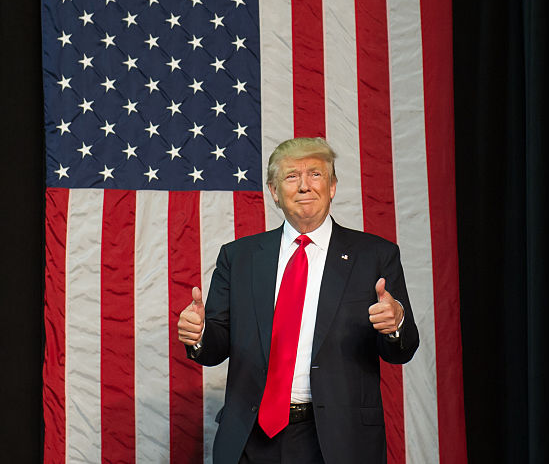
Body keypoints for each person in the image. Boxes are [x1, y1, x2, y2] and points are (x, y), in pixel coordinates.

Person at [176, 137, 418, 464]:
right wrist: (201, 333)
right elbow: (216, 345)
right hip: (251, 436)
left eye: (315, 175)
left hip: (336, 441)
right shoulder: (239, 257)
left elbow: (400, 351)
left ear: (332, 186)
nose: (304, 186)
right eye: (291, 176)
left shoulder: (375, 256)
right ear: (274, 192)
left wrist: (396, 325)